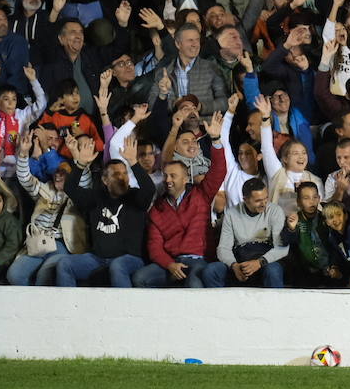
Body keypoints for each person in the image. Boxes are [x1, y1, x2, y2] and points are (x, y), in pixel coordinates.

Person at [135, 114, 228, 287]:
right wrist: (169, 264)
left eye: (173, 176)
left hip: (198, 259)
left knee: (193, 283)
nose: (168, 179)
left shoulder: (201, 195)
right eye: (166, 175)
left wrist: (216, 140)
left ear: (186, 179)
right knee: (141, 278)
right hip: (171, 262)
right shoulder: (157, 209)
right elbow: (154, 246)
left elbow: (219, 171)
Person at [55, 135, 154, 287]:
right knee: (64, 264)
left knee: (118, 266)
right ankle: (70, 309)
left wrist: (133, 162)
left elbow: (149, 189)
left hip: (130, 259)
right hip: (98, 259)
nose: (122, 178)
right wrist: (80, 164)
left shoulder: (135, 197)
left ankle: (124, 310)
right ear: (105, 180)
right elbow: (70, 188)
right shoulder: (96, 197)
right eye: (116, 174)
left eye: (124, 173)